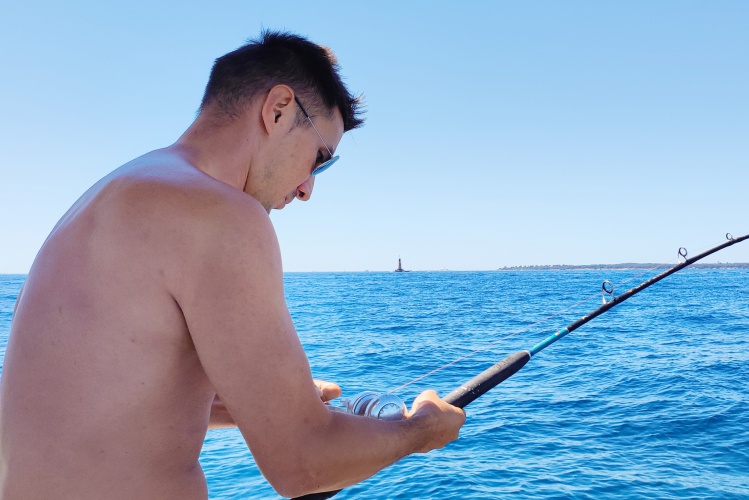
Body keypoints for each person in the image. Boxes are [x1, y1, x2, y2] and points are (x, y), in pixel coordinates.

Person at [0, 30, 465, 499]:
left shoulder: (100, 201)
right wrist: (423, 429)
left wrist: (247, 402)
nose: (307, 188)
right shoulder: (219, 213)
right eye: (320, 159)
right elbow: (303, 464)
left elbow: (87, 399)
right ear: (278, 109)